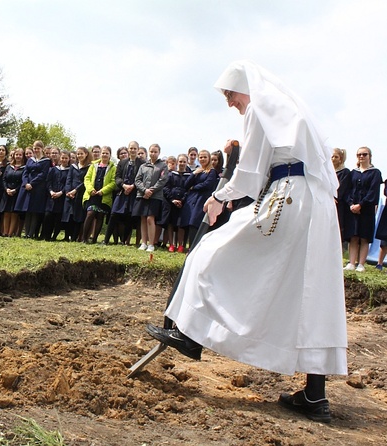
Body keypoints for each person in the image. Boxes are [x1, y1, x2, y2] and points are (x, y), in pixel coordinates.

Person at [147, 61, 347, 424]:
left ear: (247, 88)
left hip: (288, 196)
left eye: (230, 95)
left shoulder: (260, 108)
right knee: (310, 292)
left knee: (210, 252)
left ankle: (190, 334)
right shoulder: (291, 110)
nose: (230, 104)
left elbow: (251, 172)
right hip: (315, 204)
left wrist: (219, 197)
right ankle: (315, 395)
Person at [343, 146, 382, 272]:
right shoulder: (353, 173)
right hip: (352, 209)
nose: (361, 156)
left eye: (364, 154)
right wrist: (351, 204)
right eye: (359, 154)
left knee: (364, 237)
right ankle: (352, 263)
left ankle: (361, 264)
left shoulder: (375, 173)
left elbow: (373, 192)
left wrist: (361, 204)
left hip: (366, 209)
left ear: (369, 156)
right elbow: (347, 190)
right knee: (353, 236)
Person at [133, 143, 168, 252]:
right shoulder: (143, 166)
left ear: (159, 153)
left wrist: (151, 190)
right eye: (151, 151)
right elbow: (137, 180)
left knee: (150, 218)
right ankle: (143, 243)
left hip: (155, 196)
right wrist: (144, 190)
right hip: (142, 195)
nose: (153, 153)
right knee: (143, 218)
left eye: (155, 152)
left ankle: (151, 244)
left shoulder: (163, 166)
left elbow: (162, 180)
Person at [180, 149, 218, 249]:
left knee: (195, 223)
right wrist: (194, 174)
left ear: (209, 158)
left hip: (202, 200)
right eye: (201, 157)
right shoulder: (198, 171)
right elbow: (186, 185)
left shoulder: (212, 171)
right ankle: (190, 247)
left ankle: (194, 247)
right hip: (192, 200)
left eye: (205, 157)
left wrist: (194, 187)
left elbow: (207, 184)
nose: (202, 159)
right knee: (189, 223)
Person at [82, 145, 116, 244]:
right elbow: (87, 179)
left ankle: (95, 239)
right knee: (90, 213)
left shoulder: (113, 168)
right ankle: (84, 238)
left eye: (107, 153)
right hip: (92, 195)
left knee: (100, 216)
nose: (104, 155)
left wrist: (103, 191)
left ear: (110, 155)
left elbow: (113, 182)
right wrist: (90, 190)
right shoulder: (93, 165)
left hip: (103, 196)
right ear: (100, 154)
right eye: (103, 153)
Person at [62, 146, 92, 241]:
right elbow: (69, 179)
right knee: (69, 216)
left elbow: (85, 181)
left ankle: (75, 237)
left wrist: (75, 190)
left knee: (78, 217)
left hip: (80, 193)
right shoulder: (73, 166)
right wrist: (68, 191)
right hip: (70, 194)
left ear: (86, 154)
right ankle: (67, 236)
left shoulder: (89, 167)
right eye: (78, 154)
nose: (79, 156)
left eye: (81, 154)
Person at [0, 148, 26, 236]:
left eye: (20, 155)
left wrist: (15, 190)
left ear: (22, 156)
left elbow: (23, 181)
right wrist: (6, 189)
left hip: (17, 193)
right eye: (16, 154)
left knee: (14, 214)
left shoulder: (24, 168)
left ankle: (10, 233)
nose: (18, 156)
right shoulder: (8, 166)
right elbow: (3, 179)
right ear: (14, 155)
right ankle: (5, 233)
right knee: (6, 213)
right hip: (7, 192)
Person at [331, 148, 352, 249]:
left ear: (341, 159)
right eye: (332, 156)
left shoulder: (345, 172)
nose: (333, 159)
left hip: (338, 204)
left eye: (336, 157)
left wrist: (334, 197)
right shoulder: (328, 171)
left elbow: (342, 187)